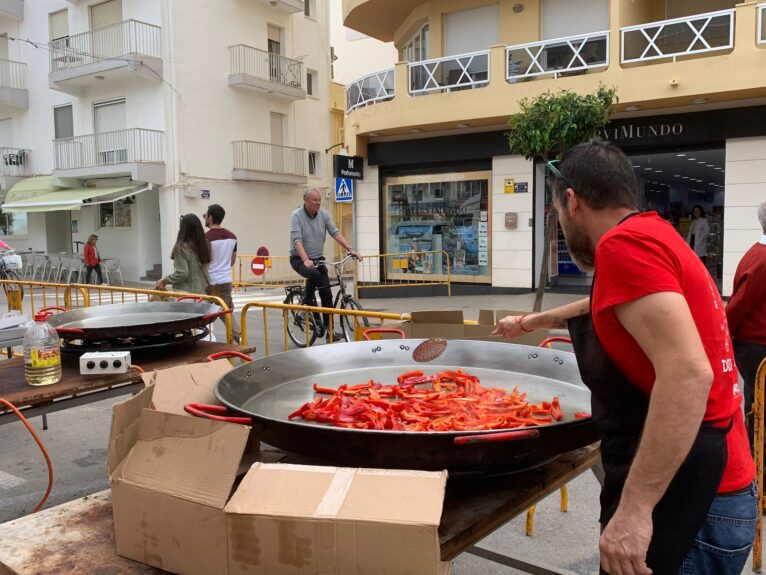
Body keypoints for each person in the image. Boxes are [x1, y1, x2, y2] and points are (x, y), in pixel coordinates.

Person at [494, 139, 755, 574]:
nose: (560, 222)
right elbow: (611, 301)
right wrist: (532, 322)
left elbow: (690, 375)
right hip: (721, 488)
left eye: (557, 213)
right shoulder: (654, 234)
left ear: (572, 201)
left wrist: (633, 514)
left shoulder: (622, 248)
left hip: (695, 502)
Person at [290, 188, 361, 342]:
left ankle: (330, 332)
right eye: (314, 200)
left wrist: (350, 249)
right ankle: (304, 307)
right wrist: (305, 259)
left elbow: (335, 232)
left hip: (318, 259)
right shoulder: (296, 216)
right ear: (306, 201)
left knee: (327, 294)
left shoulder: (323, 214)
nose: (318, 203)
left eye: (319, 200)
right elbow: (297, 240)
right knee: (313, 274)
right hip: (299, 258)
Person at [726, 201, 766, 449]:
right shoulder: (761, 260)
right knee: (759, 407)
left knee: (757, 405)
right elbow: (739, 306)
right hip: (756, 347)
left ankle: (755, 462)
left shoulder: (758, 255)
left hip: (754, 345)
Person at [203, 204, 241, 343]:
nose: (205, 218)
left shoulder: (206, 238)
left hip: (210, 282)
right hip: (225, 281)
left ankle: (206, 342)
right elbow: (232, 260)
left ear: (211, 217)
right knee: (226, 314)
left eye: (205, 215)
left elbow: (204, 262)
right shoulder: (232, 237)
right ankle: (240, 338)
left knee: (205, 314)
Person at [155, 214, 211, 295]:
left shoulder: (181, 247)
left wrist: (165, 280)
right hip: (204, 292)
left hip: (185, 294)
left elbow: (182, 273)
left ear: (183, 228)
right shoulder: (206, 243)